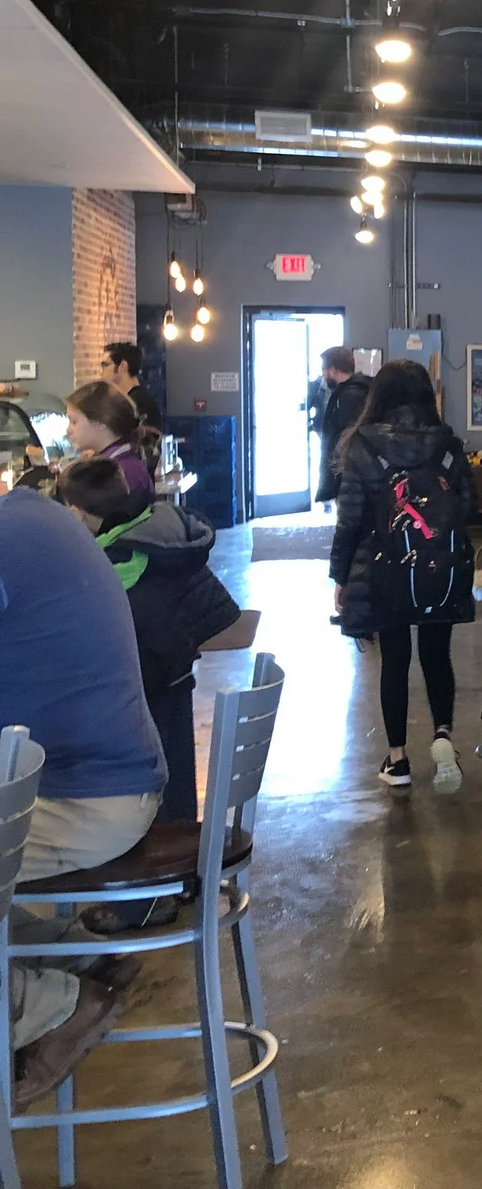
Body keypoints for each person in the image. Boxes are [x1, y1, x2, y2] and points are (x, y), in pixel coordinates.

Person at [0, 483, 168, 1103]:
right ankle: (75, 960)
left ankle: (55, 1005)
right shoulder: (37, 516)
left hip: (88, 799)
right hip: (106, 784)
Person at [58, 458, 239, 929]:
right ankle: (182, 880)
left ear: (77, 514)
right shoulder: (158, 525)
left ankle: (146, 899)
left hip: (142, 677)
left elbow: (93, 620)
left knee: (132, 784)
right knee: (175, 773)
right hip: (173, 668)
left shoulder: (115, 557)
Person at [329, 360, 475, 792]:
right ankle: (444, 735)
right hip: (440, 569)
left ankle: (398, 760)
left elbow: (350, 519)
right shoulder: (446, 444)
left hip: (384, 569)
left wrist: (340, 575)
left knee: (394, 661)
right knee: (437, 654)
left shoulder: (362, 446)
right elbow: (468, 505)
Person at [64, 381, 154, 506]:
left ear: (101, 422)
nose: (68, 430)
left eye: (74, 421)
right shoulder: (118, 462)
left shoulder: (122, 474)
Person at [315, 346, 371, 505]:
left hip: (349, 476)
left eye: (324, 370)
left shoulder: (348, 396)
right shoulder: (361, 390)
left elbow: (347, 437)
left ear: (332, 370)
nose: (324, 376)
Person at [101, 343, 162, 432]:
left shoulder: (139, 402)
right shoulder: (130, 399)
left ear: (123, 366)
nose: (102, 371)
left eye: (105, 365)